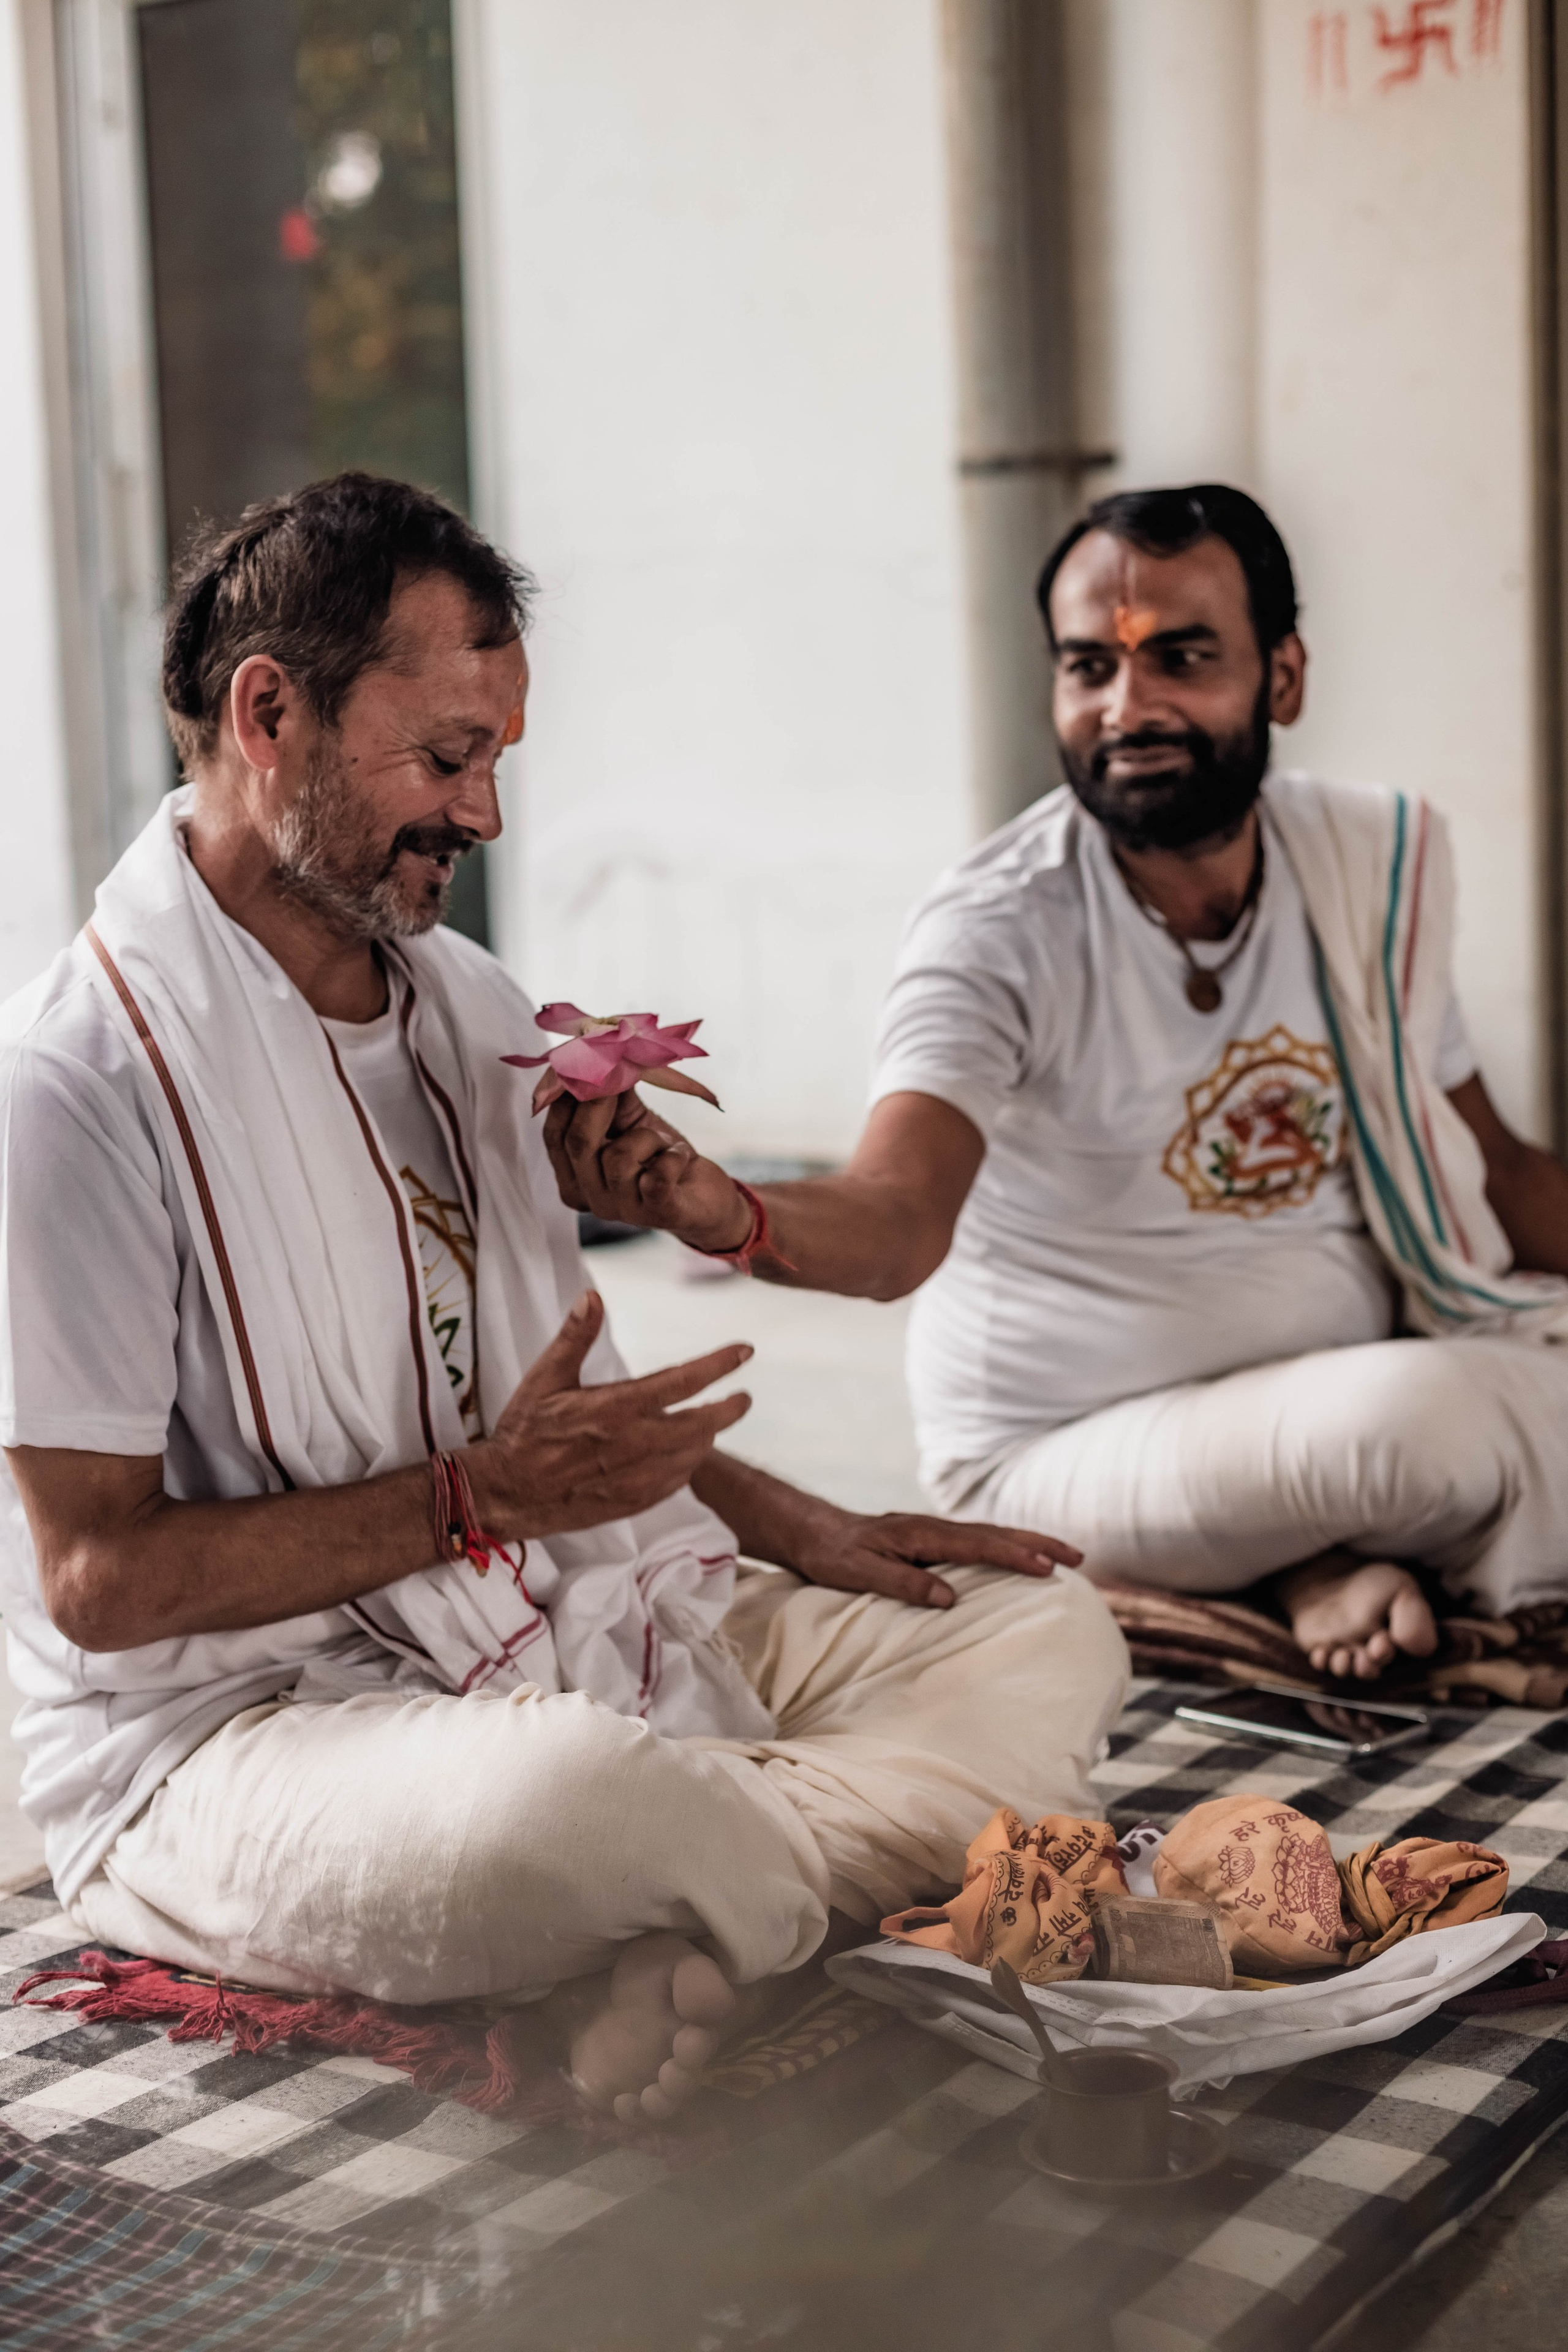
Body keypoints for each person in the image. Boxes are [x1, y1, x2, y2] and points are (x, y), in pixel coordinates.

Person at [0, 473, 1129, 2125]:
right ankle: (737, 1876)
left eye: (499, 763)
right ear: (269, 712)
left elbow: (536, 1425)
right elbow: (99, 1584)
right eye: (447, 759)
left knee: (1047, 1628)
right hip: (231, 1741)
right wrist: (476, 1505)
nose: (488, 815)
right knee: (576, 1810)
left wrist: (795, 1522)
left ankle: (700, 1912)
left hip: (544, 1622)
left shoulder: (471, 1009)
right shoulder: (77, 1088)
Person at [543, 484, 1568, 1686]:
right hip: (1068, 1449)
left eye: (1178, 659)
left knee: (1451, 1401)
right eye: (1088, 666)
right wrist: (721, 1209)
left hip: (1327, 1403)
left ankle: (1297, 1554)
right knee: (1438, 1422)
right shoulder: (998, 927)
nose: (1125, 706)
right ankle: (1296, 1548)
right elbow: (895, 1215)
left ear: (1280, 678)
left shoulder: (1363, 867)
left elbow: (1492, 1168)